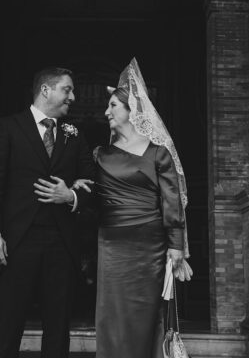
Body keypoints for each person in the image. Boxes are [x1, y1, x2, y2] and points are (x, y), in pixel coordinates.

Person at [74, 58, 192, 358]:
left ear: (132, 110)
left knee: (146, 313)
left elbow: (172, 201)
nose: (106, 112)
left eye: (113, 105)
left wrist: (176, 246)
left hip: (150, 245)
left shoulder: (158, 153)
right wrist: (75, 190)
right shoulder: (100, 155)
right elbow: (93, 197)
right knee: (112, 313)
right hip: (112, 243)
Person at [0, 67, 95, 358]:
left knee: (58, 327)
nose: (73, 97)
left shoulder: (74, 134)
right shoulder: (7, 127)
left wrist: (70, 196)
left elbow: (91, 181)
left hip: (61, 242)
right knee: (8, 323)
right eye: (67, 89)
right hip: (17, 241)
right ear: (46, 90)